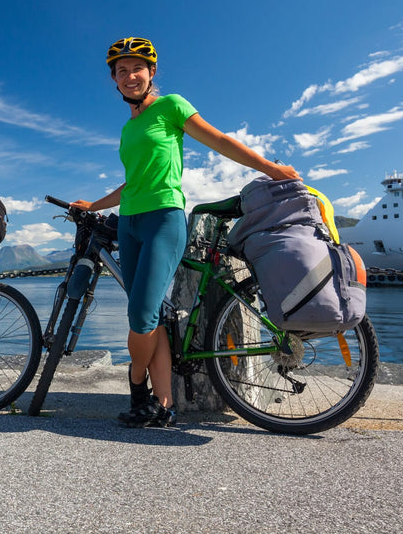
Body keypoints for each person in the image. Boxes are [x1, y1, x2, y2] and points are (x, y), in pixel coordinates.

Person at [71, 37, 300, 428]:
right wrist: (93, 205)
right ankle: (162, 405)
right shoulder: (129, 129)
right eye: (121, 71)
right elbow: (132, 183)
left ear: (151, 72)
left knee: (141, 315)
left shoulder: (171, 106)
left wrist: (270, 169)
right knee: (153, 316)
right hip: (130, 223)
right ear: (114, 79)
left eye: (136, 69)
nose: (129, 76)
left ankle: (137, 388)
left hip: (164, 219)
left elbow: (220, 140)